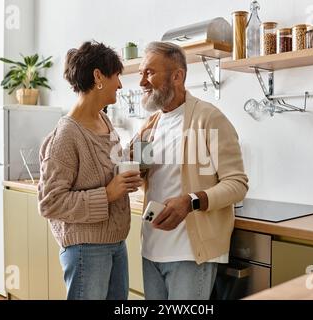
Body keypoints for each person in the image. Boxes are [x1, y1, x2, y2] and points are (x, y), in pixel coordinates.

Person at [131, 41, 249, 300]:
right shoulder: (149, 126)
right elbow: (140, 178)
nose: (141, 82)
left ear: (177, 76)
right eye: (141, 73)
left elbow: (237, 184)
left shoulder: (209, 118)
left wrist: (191, 202)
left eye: (149, 72)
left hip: (189, 255)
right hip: (151, 250)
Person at [38, 41, 142, 300]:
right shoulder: (67, 135)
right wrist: (107, 194)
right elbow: (50, 203)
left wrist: (139, 147)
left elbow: (108, 166)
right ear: (98, 76)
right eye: (116, 76)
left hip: (116, 243)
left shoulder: (104, 120)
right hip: (86, 249)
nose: (119, 84)